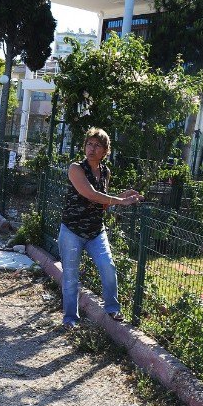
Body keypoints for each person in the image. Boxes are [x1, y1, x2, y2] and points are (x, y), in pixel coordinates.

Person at [58, 127, 143, 327]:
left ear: (105, 151)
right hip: (72, 231)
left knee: (108, 267)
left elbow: (102, 203)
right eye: (89, 144)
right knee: (70, 278)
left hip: (96, 231)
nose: (92, 148)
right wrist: (120, 202)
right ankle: (70, 319)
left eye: (97, 145)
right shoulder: (76, 168)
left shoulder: (105, 171)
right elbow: (90, 193)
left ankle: (112, 309)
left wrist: (121, 197)